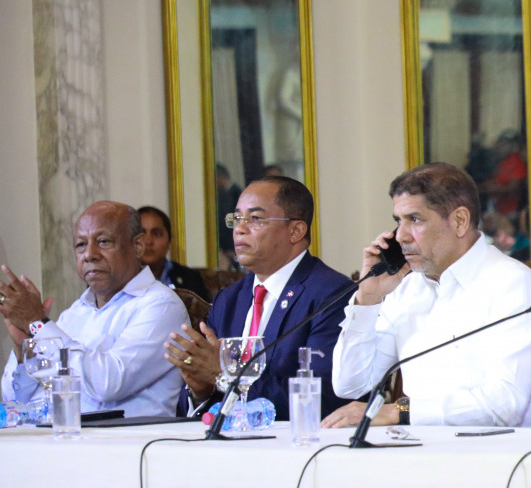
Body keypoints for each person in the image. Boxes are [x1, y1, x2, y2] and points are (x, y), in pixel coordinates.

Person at [325, 163, 531, 428]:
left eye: (415, 219)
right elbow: (351, 385)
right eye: (398, 221)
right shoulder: (407, 288)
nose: (400, 236)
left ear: (459, 221)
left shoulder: (515, 286)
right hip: (415, 447)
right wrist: (368, 300)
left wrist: (399, 412)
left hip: (500, 451)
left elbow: (504, 407)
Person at [164, 176, 351, 420]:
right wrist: (200, 391)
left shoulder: (332, 294)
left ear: (295, 231)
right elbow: (197, 402)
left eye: (255, 219)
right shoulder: (229, 300)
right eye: (237, 219)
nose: (239, 229)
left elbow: (323, 398)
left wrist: (223, 375)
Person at [0, 202, 187, 417]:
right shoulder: (75, 313)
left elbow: (108, 384)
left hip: (123, 437)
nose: (89, 254)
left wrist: (38, 323)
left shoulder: (161, 305)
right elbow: (15, 400)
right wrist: (23, 348)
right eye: (81, 245)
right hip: (58, 434)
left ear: (138, 246)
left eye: (103, 242)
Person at [138, 205, 212, 301]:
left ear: (169, 241)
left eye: (157, 234)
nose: (148, 241)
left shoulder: (190, 277)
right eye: (141, 234)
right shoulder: (122, 280)